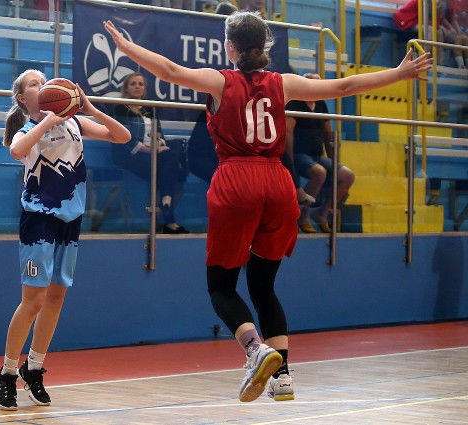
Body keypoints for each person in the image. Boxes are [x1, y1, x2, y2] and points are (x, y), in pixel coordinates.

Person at [103, 12, 432, 402]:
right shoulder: (284, 83)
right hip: (278, 184)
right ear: (265, 44)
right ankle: (283, 376)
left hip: (237, 181)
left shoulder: (220, 81)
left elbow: (170, 70)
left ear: (230, 46)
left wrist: (127, 48)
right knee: (264, 287)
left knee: (221, 287)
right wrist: (398, 74)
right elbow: (344, 85)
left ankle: (255, 349)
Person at [0, 69, 130, 410]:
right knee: (33, 300)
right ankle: (6, 373)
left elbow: (122, 136)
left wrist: (90, 109)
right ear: (24, 99)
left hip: (71, 219)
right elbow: (16, 150)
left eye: (45, 80)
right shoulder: (27, 129)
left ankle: (34, 367)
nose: (43, 85)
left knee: (56, 298)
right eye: (34, 84)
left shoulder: (76, 124)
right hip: (39, 218)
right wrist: (47, 120)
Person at [112, 72, 189, 234]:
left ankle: (165, 207)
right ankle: (167, 217)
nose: (137, 87)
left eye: (140, 84)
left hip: (154, 153)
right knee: (168, 172)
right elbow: (125, 137)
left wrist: (160, 145)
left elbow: (160, 134)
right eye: (133, 84)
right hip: (132, 154)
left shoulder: (149, 108)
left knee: (171, 154)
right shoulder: (120, 108)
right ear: (126, 88)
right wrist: (149, 149)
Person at [286, 73, 355, 233]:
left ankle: (322, 213)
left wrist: (334, 160)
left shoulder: (320, 104)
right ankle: (302, 216)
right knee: (319, 173)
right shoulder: (294, 103)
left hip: (317, 155)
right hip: (299, 154)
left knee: (347, 176)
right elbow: (287, 134)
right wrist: (289, 161)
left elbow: (327, 133)